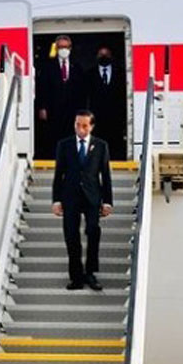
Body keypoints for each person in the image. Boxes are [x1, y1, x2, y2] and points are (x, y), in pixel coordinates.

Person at [51, 110, 114, 291]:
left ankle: (90, 273)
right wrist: (56, 200)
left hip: (92, 196)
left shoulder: (100, 146)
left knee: (93, 232)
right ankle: (76, 276)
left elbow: (105, 175)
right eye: (77, 125)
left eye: (85, 125)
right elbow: (59, 174)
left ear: (91, 126)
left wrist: (107, 201)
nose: (80, 129)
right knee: (71, 236)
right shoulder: (64, 145)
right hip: (70, 197)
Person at [35, 35, 87, 158]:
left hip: (72, 109)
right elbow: (42, 88)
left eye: (66, 47)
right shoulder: (48, 67)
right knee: (53, 135)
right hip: (53, 108)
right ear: (56, 48)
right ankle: (54, 157)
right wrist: (42, 107)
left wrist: (83, 111)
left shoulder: (77, 67)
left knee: (71, 135)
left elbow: (82, 90)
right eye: (61, 47)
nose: (64, 49)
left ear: (70, 48)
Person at [87, 45, 127, 160]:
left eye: (106, 54)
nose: (104, 57)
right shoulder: (90, 74)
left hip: (116, 117)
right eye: (101, 54)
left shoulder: (121, 73)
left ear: (111, 56)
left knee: (115, 142)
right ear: (96, 57)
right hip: (97, 116)